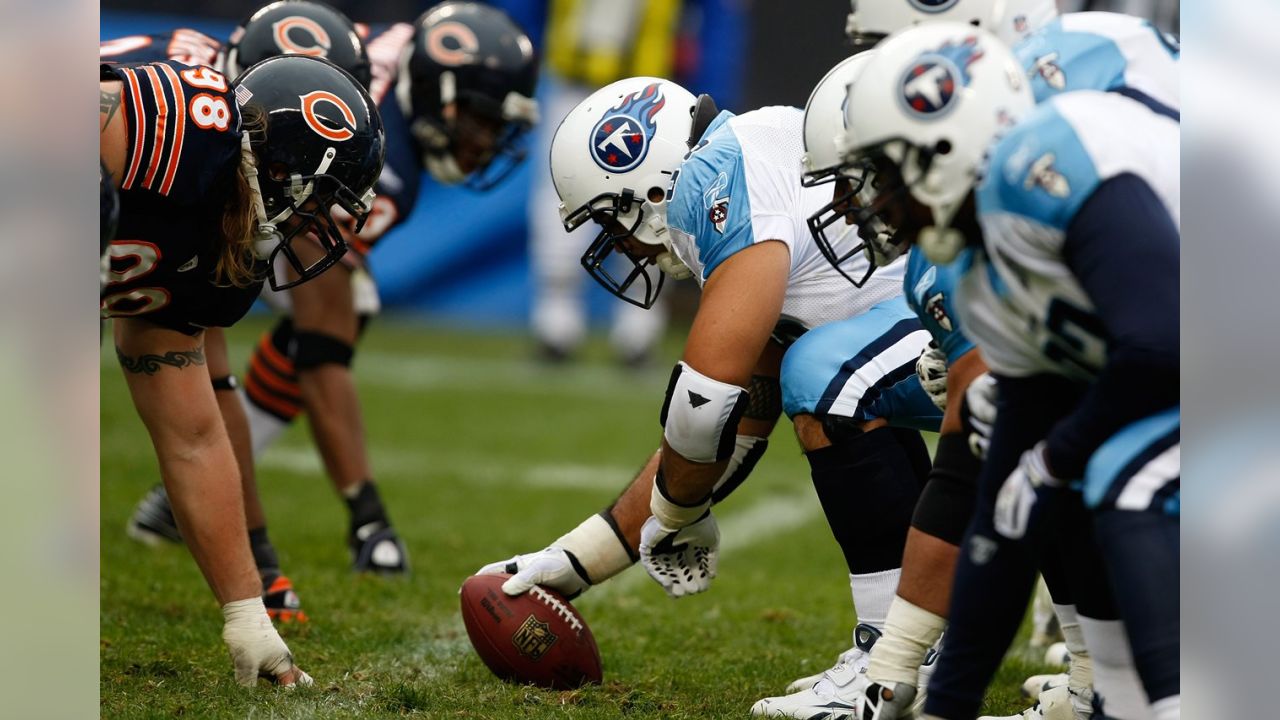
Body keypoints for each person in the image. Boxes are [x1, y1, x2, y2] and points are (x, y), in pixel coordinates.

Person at [477, 75, 944, 711]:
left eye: (613, 223)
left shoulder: (715, 181)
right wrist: (577, 560)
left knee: (826, 377)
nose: (622, 246)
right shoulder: (747, 153)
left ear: (644, 187)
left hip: (967, 323)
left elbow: (703, 409)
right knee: (822, 375)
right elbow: (740, 427)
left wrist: (680, 516)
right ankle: (919, 647)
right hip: (944, 319)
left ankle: (893, 655)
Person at [122, 1, 541, 586]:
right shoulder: (375, 150)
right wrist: (364, 511)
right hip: (141, 159)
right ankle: (200, 497)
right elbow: (324, 336)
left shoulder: (377, 68)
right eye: (479, 122)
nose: (482, 144)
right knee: (278, 305)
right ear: (439, 88)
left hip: (151, 117)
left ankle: (191, 494)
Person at [837, 23, 1178, 720]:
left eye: (885, 170)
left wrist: (1055, 457)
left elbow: (1163, 345)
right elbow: (1004, 512)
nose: (874, 199)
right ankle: (1125, 700)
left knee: (1119, 472)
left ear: (941, 145)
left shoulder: (1052, 159)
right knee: (1037, 479)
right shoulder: (974, 269)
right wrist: (948, 703)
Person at [100, 53, 385, 685]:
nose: (315, 229)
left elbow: (194, 440)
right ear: (280, 172)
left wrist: (247, 618)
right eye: (318, 203)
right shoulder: (182, 132)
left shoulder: (210, 260)